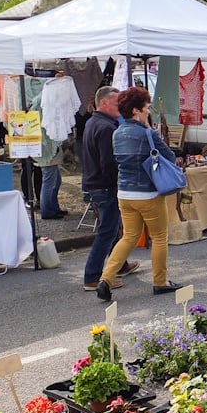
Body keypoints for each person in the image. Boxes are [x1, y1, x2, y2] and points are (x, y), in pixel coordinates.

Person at [95, 86, 182, 301]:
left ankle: (105, 279)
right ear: (135, 110)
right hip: (148, 194)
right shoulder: (147, 133)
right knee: (160, 237)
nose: (147, 111)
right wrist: (150, 130)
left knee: (129, 237)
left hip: (124, 193)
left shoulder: (117, 133)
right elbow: (169, 157)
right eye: (145, 108)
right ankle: (160, 282)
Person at [80, 86, 139, 292]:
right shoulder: (106, 128)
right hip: (104, 186)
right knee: (108, 231)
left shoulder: (94, 122)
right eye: (116, 103)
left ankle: (120, 265)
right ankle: (92, 276)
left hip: (95, 183)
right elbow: (109, 164)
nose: (120, 108)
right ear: (104, 103)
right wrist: (119, 182)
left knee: (112, 228)